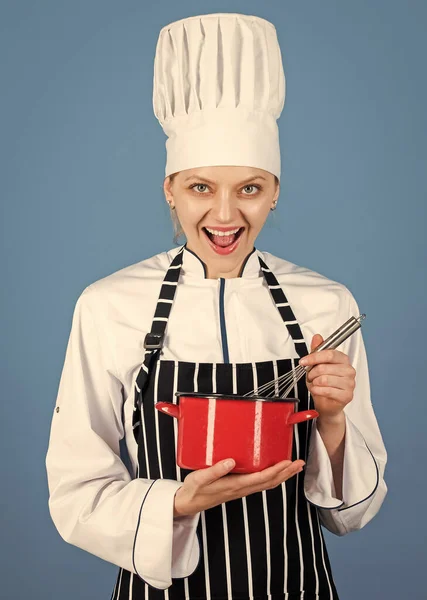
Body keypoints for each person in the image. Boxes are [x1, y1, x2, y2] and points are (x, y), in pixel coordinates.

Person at [45, 12, 388, 600]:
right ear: (169, 189)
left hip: (295, 586)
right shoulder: (109, 306)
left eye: (249, 189)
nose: (226, 216)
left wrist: (331, 419)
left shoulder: (327, 305)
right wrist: (177, 501)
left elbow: (351, 513)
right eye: (201, 187)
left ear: (275, 192)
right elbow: (76, 492)